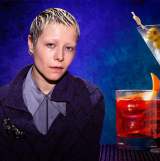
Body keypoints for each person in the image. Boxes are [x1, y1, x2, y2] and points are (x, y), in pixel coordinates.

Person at [0, 8, 105, 161]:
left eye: (68, 48)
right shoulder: (2, 101)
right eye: (50, 45)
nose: (60, 57)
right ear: (31, 44)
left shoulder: (92, 99)